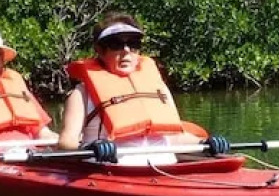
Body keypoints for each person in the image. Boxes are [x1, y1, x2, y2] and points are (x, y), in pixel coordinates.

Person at [57, 14, 228, 164]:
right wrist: (91, 147)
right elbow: (66, 142)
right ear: (100, 50)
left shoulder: (159, 88)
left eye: (133, 44)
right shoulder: (81, 94)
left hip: (164, 169)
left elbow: (174, 137)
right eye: (116, 44)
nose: (126, 51)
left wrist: (205, 143)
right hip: (110, 171)